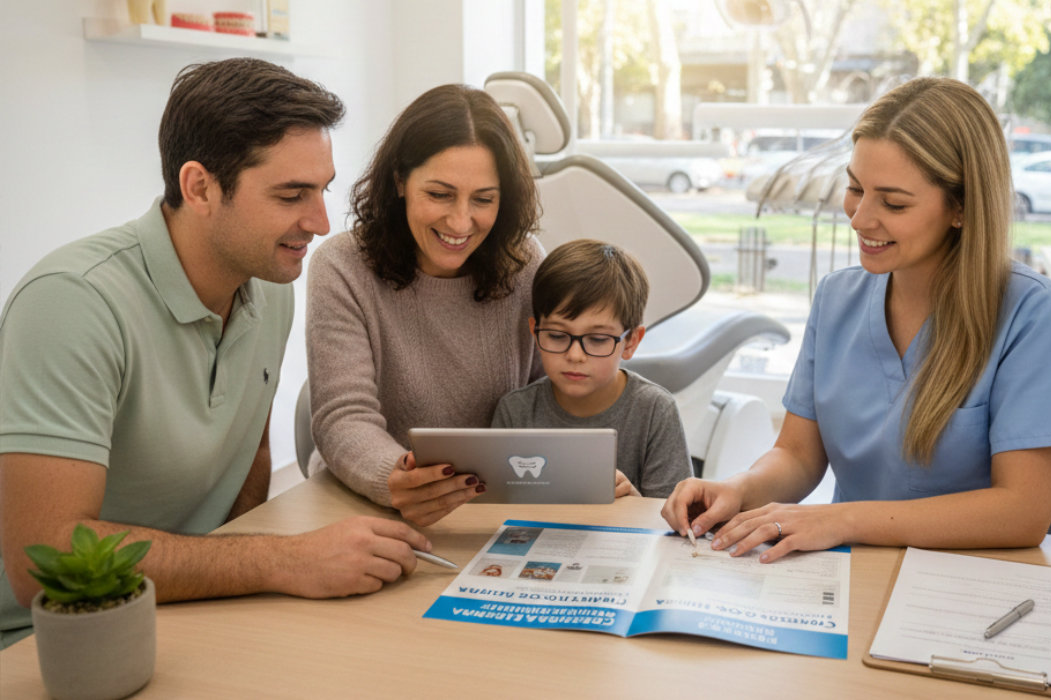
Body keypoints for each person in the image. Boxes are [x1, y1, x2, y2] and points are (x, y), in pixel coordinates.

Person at [0, 58, 434, 649]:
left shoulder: (267, 284)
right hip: (51, 636)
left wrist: (246, 577)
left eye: (322, 189)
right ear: (199, 187)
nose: (320, 221)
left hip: (186, 608)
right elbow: (43, 559)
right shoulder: (71, 302)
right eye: (291, 194)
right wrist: (277, 562)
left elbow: (248, 447)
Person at [662, 77, 1051, 561]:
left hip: (970, 582)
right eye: (854, 188)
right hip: (852, 572)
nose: (860, 218)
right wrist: (739, 488)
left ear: (961, 208)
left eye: (893, 202)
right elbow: (799, 455)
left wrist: (841, 518)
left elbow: (1023, 512)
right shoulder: (837, 298)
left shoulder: (1030, 313)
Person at [306, 83, 543, 526]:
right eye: (439, 194)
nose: (460, 221)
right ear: (400, 180)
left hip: (494, 510)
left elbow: (553, 401)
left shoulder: (524, 263)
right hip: (369, 505)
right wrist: (397, 478)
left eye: (484, 200)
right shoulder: (341, 266)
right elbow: (342, 416)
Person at [491, 239, 692, 498]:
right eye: (556, 335)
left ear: (631, 342)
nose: (575, 355)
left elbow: (672, 521)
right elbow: (496, 507)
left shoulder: (654, 410)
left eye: (597, 340)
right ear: (535, 333)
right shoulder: (515, 412)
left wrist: (633, 499)